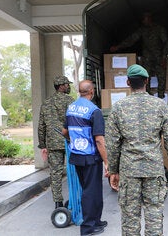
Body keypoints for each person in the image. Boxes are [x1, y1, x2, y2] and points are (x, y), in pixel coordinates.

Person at [105, 64, 168, 235]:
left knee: (130, 218)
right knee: (154, 213)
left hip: (129, 171)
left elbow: (112, 143)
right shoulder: (160, 106)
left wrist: (113, 171)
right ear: (147, 81)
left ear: (127, 82)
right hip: (153, 170)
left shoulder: (118, 108)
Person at [62, 80, 109, 236]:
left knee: (92, 189)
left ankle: (96, 220)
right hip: (90, 157)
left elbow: (65, 132)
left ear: (79, 91)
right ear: (92, 91)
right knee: (90, 191)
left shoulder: (71, 108)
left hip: (76, 155)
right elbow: (99, 140)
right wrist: (107, 162)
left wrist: (76, 137)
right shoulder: (94, 111)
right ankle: (88, 228)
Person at [110, 12, 168, 98]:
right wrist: (118, 47)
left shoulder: (160, 29)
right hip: (147, 58)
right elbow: (131, 40)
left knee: (162, 78)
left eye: (144, 19)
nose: (143, 21)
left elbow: (165, 43)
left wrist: (164, 58)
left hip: (159, 58)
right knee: (145, 77)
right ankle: (147, 97)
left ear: (149, 18)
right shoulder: (142, 30)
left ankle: (161, 98)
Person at [38, 75, 74, 209]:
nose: (68, 87)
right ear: (61, 86)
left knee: (55, 173)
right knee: (73, 171)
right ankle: (73, 200)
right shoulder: (70, 101)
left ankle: (58, 203)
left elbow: (41, 126)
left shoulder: (46, 103)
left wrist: (43, 145)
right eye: (67, 84)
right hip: (69, 140)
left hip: (53, 144)